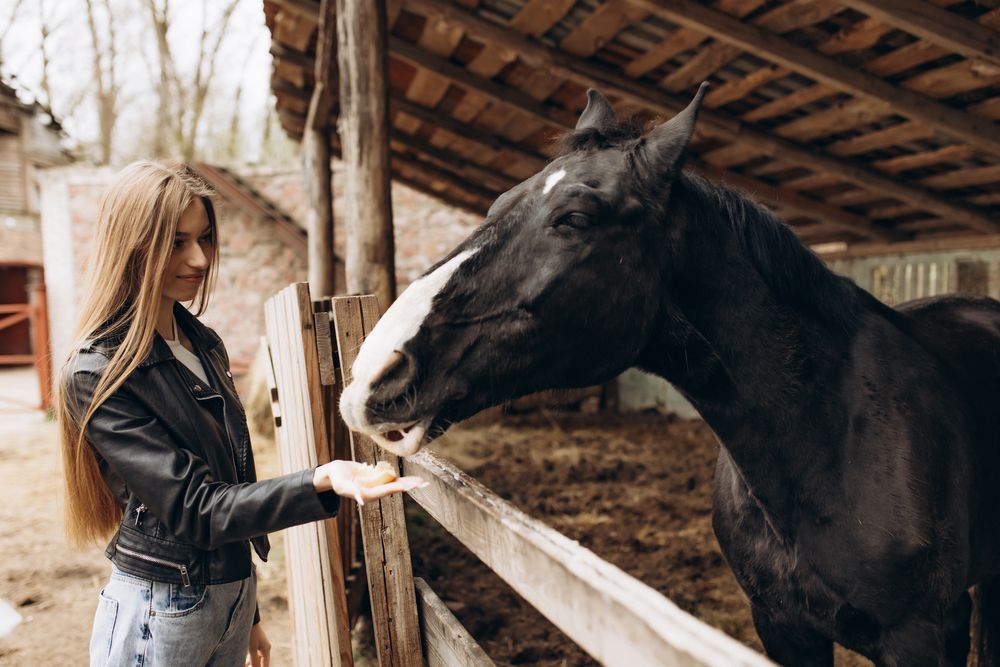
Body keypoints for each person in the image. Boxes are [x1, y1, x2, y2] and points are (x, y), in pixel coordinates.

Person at [56, 160, 424, 667]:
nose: (201, 258)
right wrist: (322, 479)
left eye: (205, 238)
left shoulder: (204, 345)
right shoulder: (97, 373)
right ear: (134, 245)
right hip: (160, 609)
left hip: (226, 596)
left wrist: (245, 612)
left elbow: (232, 477)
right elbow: (197, 508)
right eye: (177, 242)